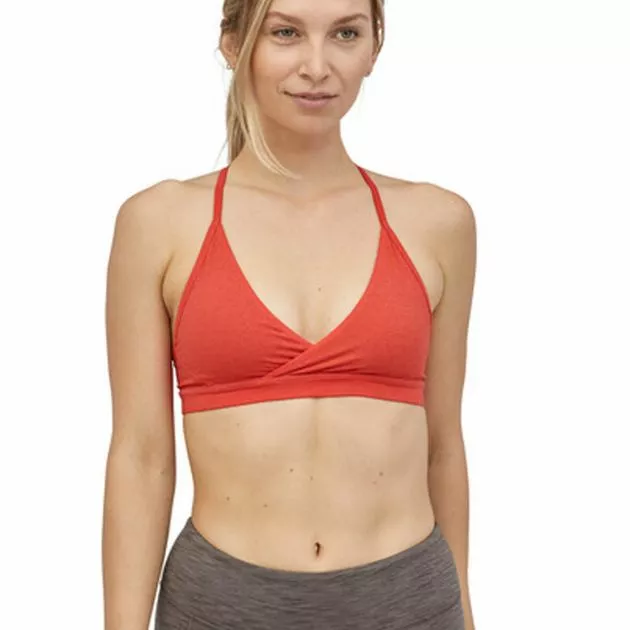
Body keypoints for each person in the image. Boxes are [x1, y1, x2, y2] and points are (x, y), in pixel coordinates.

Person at [102, 0, 477, 628]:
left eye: (345, 34)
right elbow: (141, 457)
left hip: (406, 601)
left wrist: (464, 613)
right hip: (223, 604)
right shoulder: (159, 222)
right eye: (285, 33)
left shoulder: (438, 222)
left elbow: (443, 446)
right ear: (233, 44)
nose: (317, 66)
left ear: (374, 47)